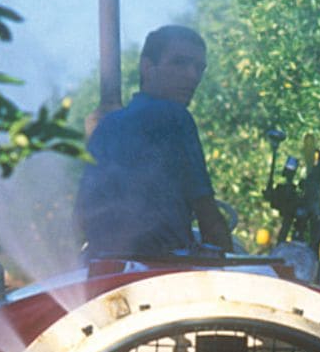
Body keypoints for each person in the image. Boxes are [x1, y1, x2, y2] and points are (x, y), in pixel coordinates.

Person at [76, 25, 232, 257]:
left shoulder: (106, 125)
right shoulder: (174, 116)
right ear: (147, 67)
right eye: (179, 63)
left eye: (199, 68)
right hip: (161, 266)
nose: (192, 76)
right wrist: (232, 263)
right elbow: (207, 213)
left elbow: (81, 215)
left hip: (103, 263)